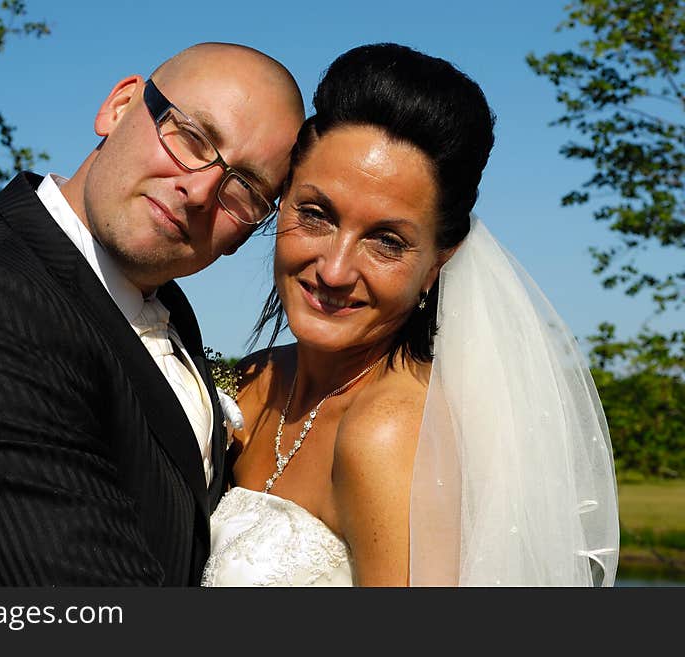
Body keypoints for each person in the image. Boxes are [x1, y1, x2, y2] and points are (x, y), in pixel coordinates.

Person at [0, 42, 305, 586]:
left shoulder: (165, 307)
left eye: (244, 188)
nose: (199, 191)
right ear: (121, 106)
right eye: (192, 137)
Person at [201, 43, 619, 587]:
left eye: (387, 241)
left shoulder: (388, 431)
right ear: (281, 200)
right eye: (317, 214)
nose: (333, 269)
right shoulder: (254, 381)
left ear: (437, 263)